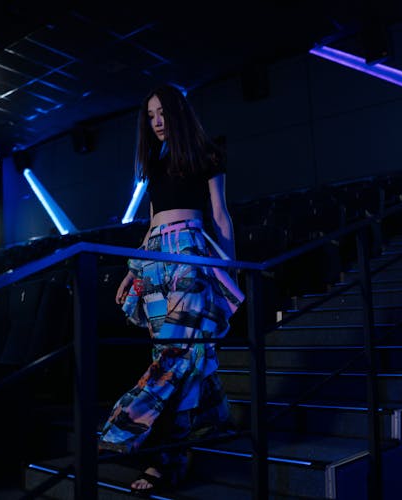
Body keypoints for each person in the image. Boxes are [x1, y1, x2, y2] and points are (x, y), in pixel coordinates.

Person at [97, 83, 244, 494]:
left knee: (180, 355)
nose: (157, 122)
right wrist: (132, 269)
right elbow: (151, 226)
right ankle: (206, 428)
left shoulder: (208, 154)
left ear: (177, 112)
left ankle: (134, 430)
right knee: (178, 355)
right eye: (150, 116)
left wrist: (230, 269)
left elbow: (220, 213)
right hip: (157, 263)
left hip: (191, 258)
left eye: (162, 113)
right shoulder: (155, 165)